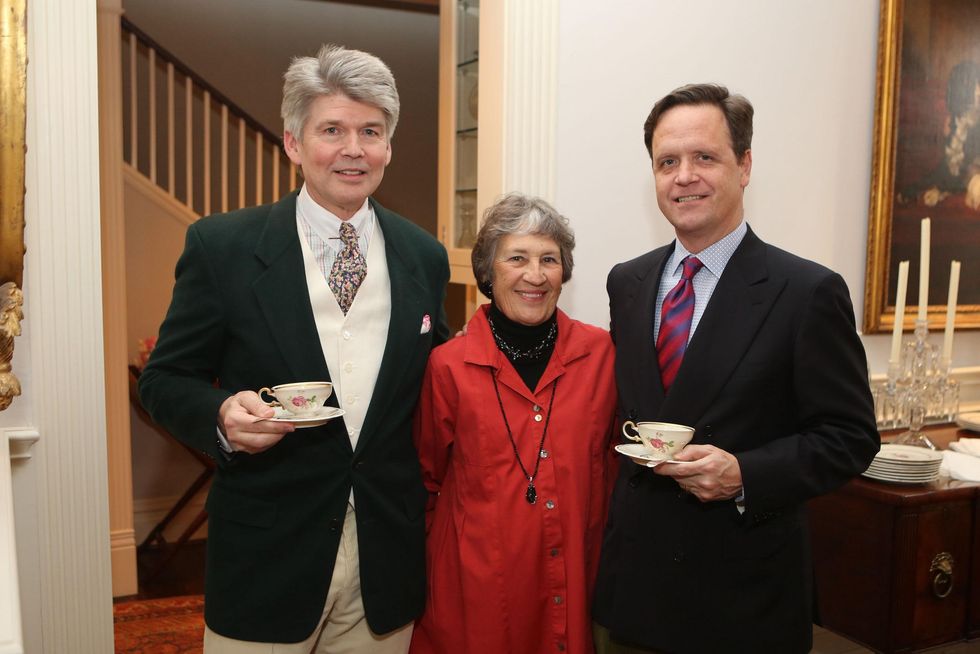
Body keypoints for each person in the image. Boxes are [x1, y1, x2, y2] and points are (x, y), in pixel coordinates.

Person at [138, 44, 450, 654]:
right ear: (293, 142)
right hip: (266, 557)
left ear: (389, 146)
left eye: (371, 131)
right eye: (331, 129)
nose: (353, 149)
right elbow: (166, 379)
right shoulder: (221, 247)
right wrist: (222, 416)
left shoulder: (424, 256)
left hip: (384, 561)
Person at [592, 83, 879, 653]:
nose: (684, 176)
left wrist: (745, 473)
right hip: (637, 592)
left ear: (744, 165)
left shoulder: (806, 291)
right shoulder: (627, 282)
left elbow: (850, 438)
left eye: (705, 157)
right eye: (667, 162)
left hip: (743, 599)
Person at [410, 194, 618, 654]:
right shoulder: (448, 366)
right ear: (488, 271)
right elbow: (426, 479)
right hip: (478, 598)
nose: (535, 275)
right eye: (517, 258)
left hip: (580, 589)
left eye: (550, 259)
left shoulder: (603, 356)